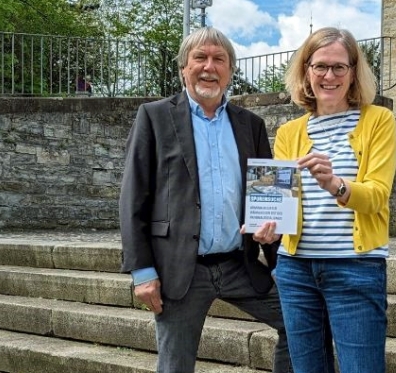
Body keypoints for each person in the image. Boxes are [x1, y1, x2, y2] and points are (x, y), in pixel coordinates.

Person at [119, 27, 290, 373]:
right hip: (181, 269)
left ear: (230, 70)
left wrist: (279, 260)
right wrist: (142, 271)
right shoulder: (154, 116)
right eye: (200, 57)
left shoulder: (251, 125)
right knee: (175, 365)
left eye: (219, 59)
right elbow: (133, 195)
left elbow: (267, 193)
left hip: (239, 264)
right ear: (184, 67)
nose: (209, 66)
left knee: (300, 322)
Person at [250, 27, 396, 373]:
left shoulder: (378, 121)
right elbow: (283, 205)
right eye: (320, 66)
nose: (328, 76)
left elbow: (377, 196)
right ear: (306, 71)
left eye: (339, 67)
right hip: (295, 269)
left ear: (353, 72)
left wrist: (334, 184)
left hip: (355, 267)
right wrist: (268, 228)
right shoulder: (290, 132)